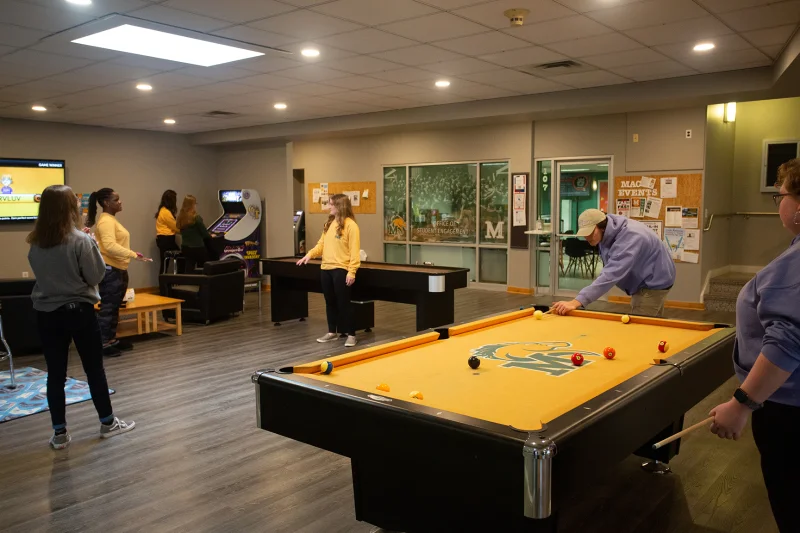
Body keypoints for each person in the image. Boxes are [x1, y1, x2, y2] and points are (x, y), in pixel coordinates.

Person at [709, 159, 800, 533]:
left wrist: (742, 403)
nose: (778, 204)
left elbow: (789, 340)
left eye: (781, 196)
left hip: (788, 415)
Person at [27, 184, 135, 450]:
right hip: (79, 312)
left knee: (55, 375)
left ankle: (59, 434)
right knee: (94, 369)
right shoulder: (81, 240)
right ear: (69, 208)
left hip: (47, 314)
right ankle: (108, 423)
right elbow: (96, 276)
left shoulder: (35, 242)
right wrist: (93, 246)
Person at [551, 209, 676, 317]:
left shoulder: (630, 237)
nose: (587, 238)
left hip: (653, 282)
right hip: (651, 277)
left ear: (602, 227)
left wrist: (576, 302)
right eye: (584, 233)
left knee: (639, 328)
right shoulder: (609, 232)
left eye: (590, 232)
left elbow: (611, 274)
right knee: (651, 324)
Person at [87, 188, 150, 356]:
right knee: (108, 308)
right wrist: (133, 254)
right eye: (116, 199)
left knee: (114, 307)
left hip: (118, 269)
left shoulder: (110, 219)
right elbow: (109, 246)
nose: (120, 202)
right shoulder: (106, 221)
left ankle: (110, 338)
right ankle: (102, 344)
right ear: (107, 203)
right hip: (111, 270)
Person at [297, 193, 361, 347]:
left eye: (332, 204)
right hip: (325, 269)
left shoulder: (351, 225)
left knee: (344, 303)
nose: (329, 207)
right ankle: (332, 332)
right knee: (329, 302)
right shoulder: (329, 224)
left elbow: (354, 251)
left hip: (341, 270)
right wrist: (309, 255)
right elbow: (321, 245)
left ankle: (351, 335)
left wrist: (352, 272)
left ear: (340, 206)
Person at [176, 194, 214, 272]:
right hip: (197, 247)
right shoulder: (196, 218)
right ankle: (202, 283)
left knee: (189, 265)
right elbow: (204, 234)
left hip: (185, 247)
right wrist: (211, 235)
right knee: (204, 264)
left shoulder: (180, 218)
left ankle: (189, 282)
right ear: (192, 205)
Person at [155, 189, 180, 274]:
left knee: (164, 263)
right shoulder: (166, 212)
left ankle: (164, 285)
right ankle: (169, 284)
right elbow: (176, 227)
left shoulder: (163, 210)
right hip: (166, 240)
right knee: (181, 257)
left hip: (162, 239)